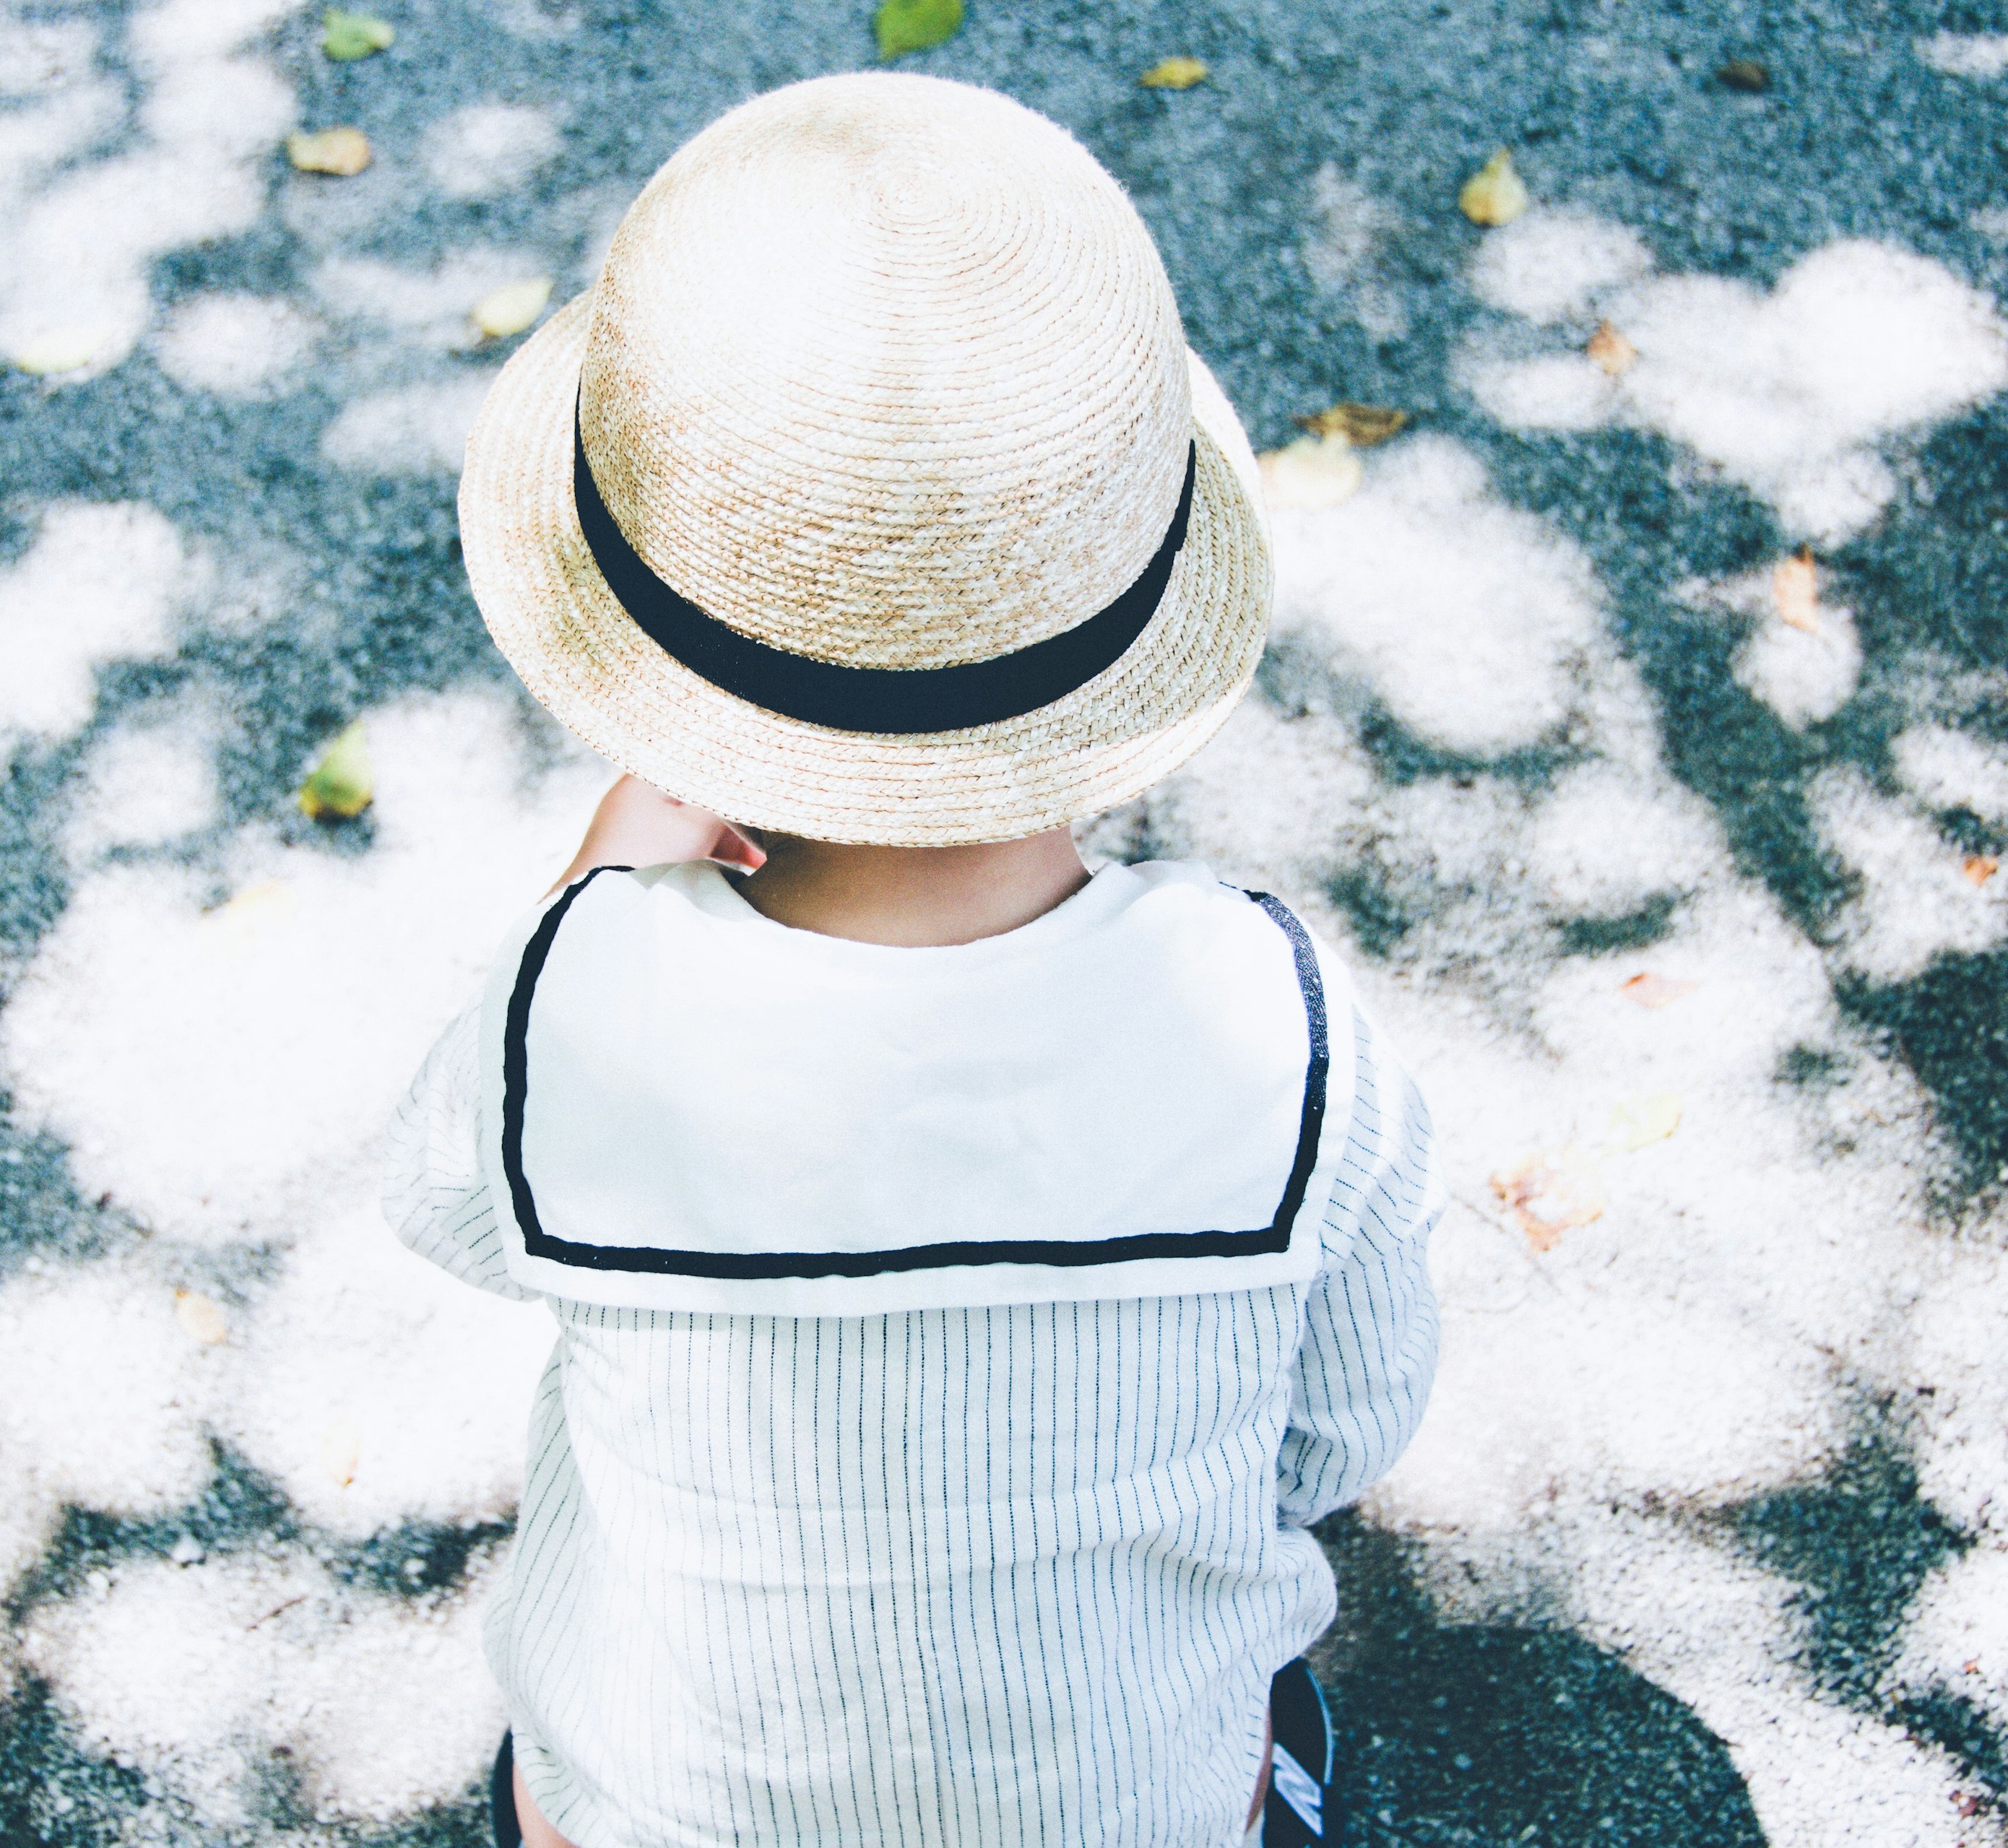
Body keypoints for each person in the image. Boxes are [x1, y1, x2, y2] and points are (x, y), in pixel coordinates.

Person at [383, 71, 1441, 1848]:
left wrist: (599, 899)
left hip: (659, 1823)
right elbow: (1340, 1427)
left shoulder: (579, 1022)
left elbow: (445, 1202)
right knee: (1249, 1700)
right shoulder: (1279, 1030)